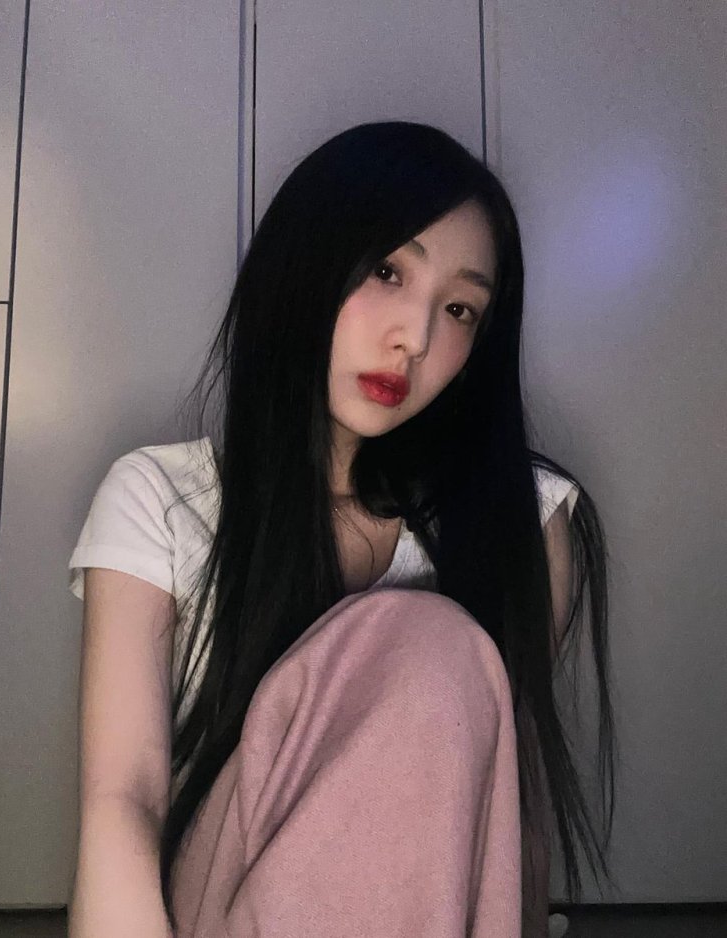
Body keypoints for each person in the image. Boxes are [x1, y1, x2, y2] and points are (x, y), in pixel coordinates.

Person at [67, 121, 618, 937]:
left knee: (436, 653)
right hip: (219, 901)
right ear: (304, 260)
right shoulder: (161, 499)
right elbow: (125, 801)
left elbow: (513, 797)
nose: (415, 338)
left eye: (460, 309)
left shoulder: (522, 515)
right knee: (426, 640)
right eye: (388, 271)